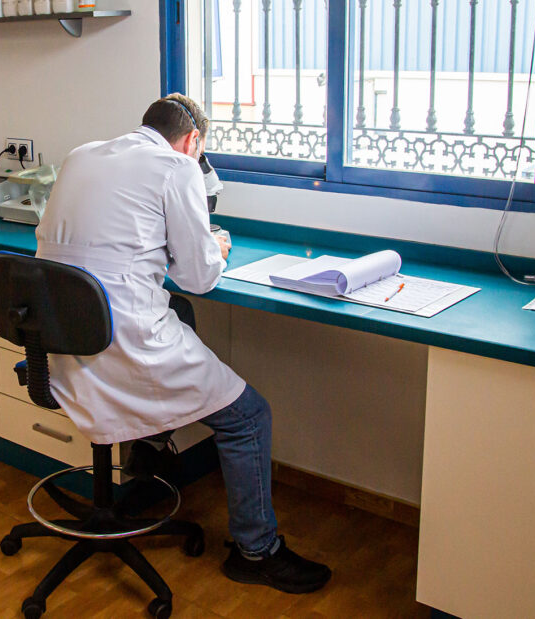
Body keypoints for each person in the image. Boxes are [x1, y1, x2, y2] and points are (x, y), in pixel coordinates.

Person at [35, 94, 331, 594]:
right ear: (193, 141)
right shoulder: (178, 167)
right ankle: (257, 551)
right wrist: (214, 246)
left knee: (181, 315)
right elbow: (199, 278)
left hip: (63, 341)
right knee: (248, 417)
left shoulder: (82, 154)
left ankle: (148, 464)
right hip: (121, 340)